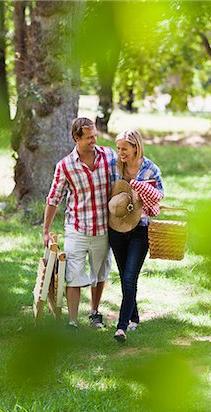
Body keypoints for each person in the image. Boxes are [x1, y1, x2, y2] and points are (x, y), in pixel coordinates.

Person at [43, 117, 117, 330]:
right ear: (76, 138)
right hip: (76, 228)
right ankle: (73, 321)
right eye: (89, 138)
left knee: (99, 274)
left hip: (103, 229)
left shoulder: (109, 156)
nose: (94, 140)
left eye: (95, 136)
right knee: (73, 276)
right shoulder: (65, 166)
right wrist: (46, 231)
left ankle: (94, 313)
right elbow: (53, 199)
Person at [108, 129, 164, 342]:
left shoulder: (150, 169)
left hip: (140, 230)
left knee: (130, 277)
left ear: (135, 147)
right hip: (116, 229)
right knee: (125, 278)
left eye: (124, 148)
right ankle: (135, 317)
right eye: (118, 148)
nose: (120, 152)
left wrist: (142, 191)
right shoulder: (114, 168)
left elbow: (160, 195)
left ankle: (121, 327)